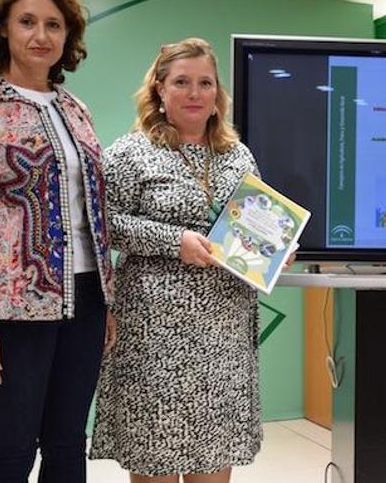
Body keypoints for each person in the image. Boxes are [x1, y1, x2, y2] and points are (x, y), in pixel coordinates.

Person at [0, 0, 115, 481]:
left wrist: (106, 301)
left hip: (85, 299)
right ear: (2, 29)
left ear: (68, 36)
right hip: (13, 305)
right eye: (27, 22)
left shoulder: (76, 109)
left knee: (67, 447)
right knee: (10, 452)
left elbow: (90, 213)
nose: (41, 36)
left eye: (54, 25)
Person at [89, 37, 264, 483]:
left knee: (213, 461)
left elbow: (256, 226)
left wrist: (273, 248)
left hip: (224, 337)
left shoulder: (237, 155)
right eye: (182, 82)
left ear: (217, 94)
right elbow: (101, 223)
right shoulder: (130, 152)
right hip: (154, 337)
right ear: (159, 90)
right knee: (157, 461)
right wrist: (173, 241)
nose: (194, 93)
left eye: (205, 82)